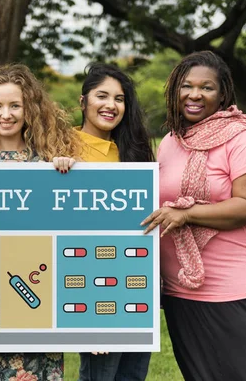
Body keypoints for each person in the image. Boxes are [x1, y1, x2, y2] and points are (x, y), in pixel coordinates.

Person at [141, 51, 246, 381]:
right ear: (174, 90)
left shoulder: (242, 138)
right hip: (182, 286)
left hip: (235, 281)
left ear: (222, 94)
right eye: (186, 86)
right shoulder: (171, 142)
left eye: (206, 87)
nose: (194, 94)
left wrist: (188, 214)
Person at [0, 63, 82, 380]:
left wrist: (66, 173)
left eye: (14, 106)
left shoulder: (48, 164)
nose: (5, 114)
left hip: (37, 296)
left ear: (28, 110)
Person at [75, 63, 154, 380]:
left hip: (135, 283)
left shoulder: (133, 153)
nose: (110, 105)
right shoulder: (62, 148)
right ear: (83, 102)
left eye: (119, 99)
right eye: (102, 95)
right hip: (91, 284)